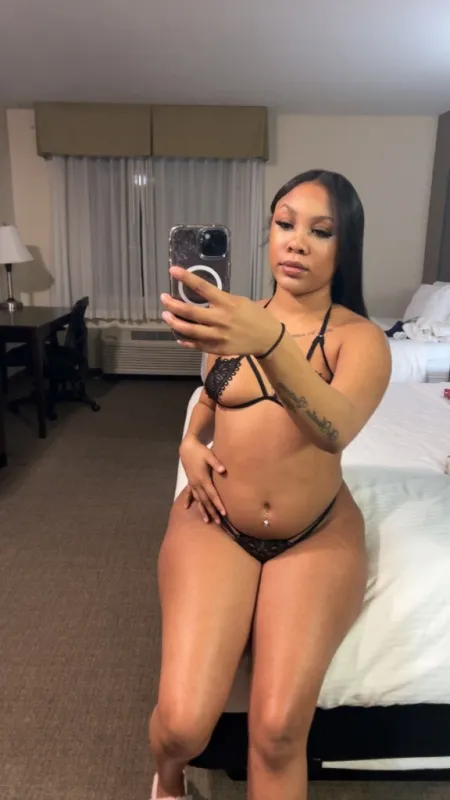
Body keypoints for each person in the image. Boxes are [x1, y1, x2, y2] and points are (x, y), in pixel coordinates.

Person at [150, 169, 391, 800]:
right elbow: (213, 395)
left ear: (346, 245)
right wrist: (189, 441)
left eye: (321, 231)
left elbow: (334, 428)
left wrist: (272, 341)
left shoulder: (360, 339)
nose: (297, 242)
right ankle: (168, 776)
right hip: (217, 522)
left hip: (315, 533)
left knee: (281, 731)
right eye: (285, 223)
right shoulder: (234, 320)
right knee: (181, 726)